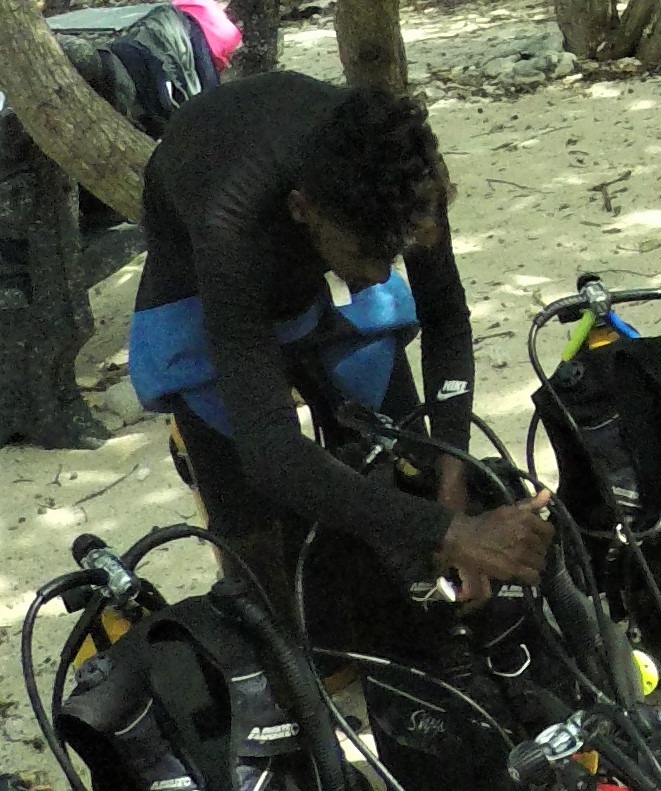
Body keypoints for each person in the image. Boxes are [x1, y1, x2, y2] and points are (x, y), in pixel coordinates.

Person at [126, 73, 551, 612]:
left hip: (322, 244)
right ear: (303, 208)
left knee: (411, 462)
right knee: (255, 539)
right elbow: (270, 453)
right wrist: (451, 532)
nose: (380, 275)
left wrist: (451, 481)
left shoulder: (404, 172)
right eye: (368, 255)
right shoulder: (229, 218)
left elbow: (445, 318)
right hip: (204, 273)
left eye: (392, 253)